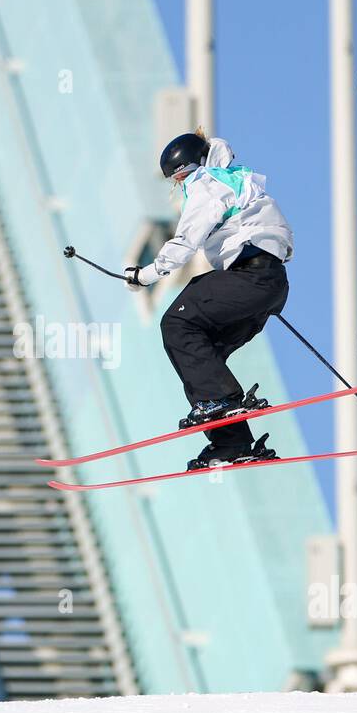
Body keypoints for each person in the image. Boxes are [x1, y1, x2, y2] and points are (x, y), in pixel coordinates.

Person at [124, 129, 294, 470]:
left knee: (177, 323)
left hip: (251, 277)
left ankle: (220, 399)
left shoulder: (207, 184)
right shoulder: (232, 181)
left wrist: (146, 275)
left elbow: (187, 240)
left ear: (197, 164)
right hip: (266, 282)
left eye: (182, 173)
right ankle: (233, 442)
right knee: (201, 354)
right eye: (175, 178)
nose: (180, 182)